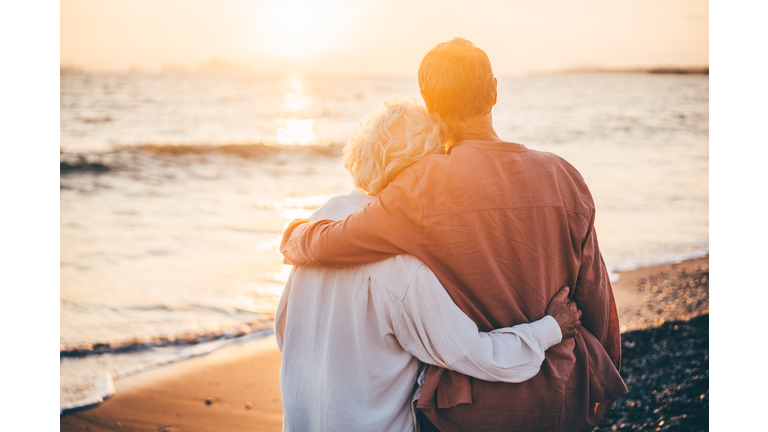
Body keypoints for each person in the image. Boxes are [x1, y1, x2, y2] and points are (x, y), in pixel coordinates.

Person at [280, 38, 628, 432]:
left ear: (429, 106)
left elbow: (334, 243)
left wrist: (293, 237)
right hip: (564, 392)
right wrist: (602, 378)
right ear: (493, 91)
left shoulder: (420, 187)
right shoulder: (565, 176)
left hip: (468, 408)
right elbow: (595, 295)